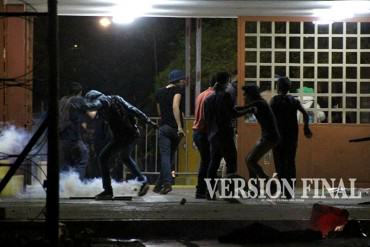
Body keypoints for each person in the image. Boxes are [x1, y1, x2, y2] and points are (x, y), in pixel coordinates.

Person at [85, 90, 157, 199]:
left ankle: (108, 191)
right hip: (130, 133)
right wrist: (147, 120)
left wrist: (81, 104)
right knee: (125, 157)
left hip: (123, 136)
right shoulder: (116, 98)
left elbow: (94, 105)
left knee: (103, 157)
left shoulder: (102, 101)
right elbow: (132, 109)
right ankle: (143, 181)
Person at [203, 72, 252, 199]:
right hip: (225, 133)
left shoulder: (208, 99)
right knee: (231, 162)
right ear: (227, 81)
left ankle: (210, 192)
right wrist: (248, 110)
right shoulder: (225, 96)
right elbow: (232, 113)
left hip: (213, 135)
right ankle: (228, 192)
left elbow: (206, 119)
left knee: (213, 163)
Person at [270, 77, 312, 198]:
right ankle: (290, 191)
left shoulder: (274, 101)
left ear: (277, 88)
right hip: (291, 136)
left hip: (277, 136)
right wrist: (306, 127)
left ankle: (283, 190)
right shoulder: (293, 100)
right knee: (290, 162)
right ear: (289, 88)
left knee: (279, 163)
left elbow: (269, 117)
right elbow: (305, 114)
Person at [239, 84, 280, 194]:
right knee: (249, 159)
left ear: (251, 94)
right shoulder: (259, 103)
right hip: (267, 136)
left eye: (245, 94)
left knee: (250, 160)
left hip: (270, 137)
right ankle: (254, 188)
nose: (244, 97)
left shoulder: (259, 103)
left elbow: (241, 109)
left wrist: (229, 109)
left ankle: (267, 181)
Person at [154, 69, 186, 194]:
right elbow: (175, 106)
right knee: (169, 157)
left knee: (165, 157)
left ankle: (162, 184)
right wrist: (179, 127)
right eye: (182, 79)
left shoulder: (159, 92)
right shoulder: (178, 90)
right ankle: (164, 184)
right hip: (174, 129)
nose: (184, 81)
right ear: (177, 80)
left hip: (164, 128)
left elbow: (160, 112)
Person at [192, 75, 216, 199]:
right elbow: (208, 116)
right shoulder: (212, 96)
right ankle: (203, 190)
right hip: (205, 132)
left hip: (197, 131)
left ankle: (201, 190)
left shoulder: (201, 94)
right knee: (208, 162)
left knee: (205, 161)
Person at [59, 82, 89, 181]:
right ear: (79, 92)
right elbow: (91, 111)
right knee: (83, 157)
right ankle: (78, 184)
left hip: (61, 135)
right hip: (72, 135)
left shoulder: (62, 100)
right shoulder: (77, 99)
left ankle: (64, 186)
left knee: (65, 162)